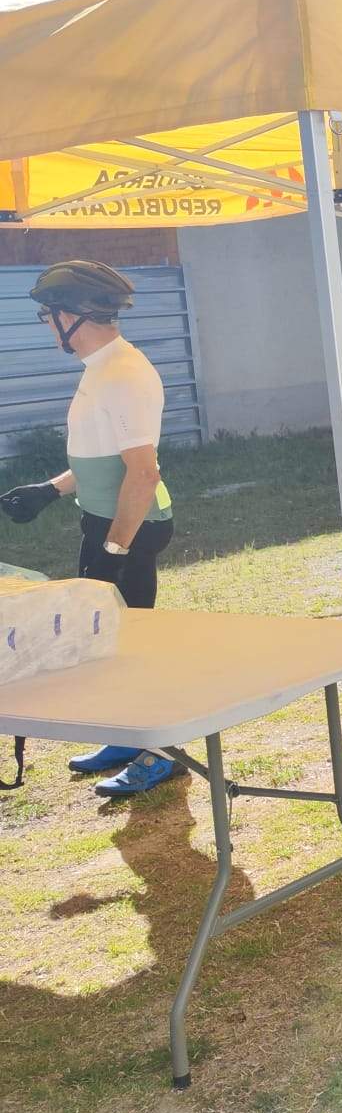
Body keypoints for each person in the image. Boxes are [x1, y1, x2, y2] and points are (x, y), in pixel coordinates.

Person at [0, 260, 181, 796]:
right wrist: (51, 490)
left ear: (75, 315)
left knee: (132, 641)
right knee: (109, 641)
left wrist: (115, 548)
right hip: (110, 519)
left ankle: (161, 752)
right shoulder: (101, 367)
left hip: (133, 524)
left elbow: (143, 473)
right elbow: (103, 458)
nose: (46, 324)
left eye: (47, 315)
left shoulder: (123, 375)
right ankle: (126, 735)